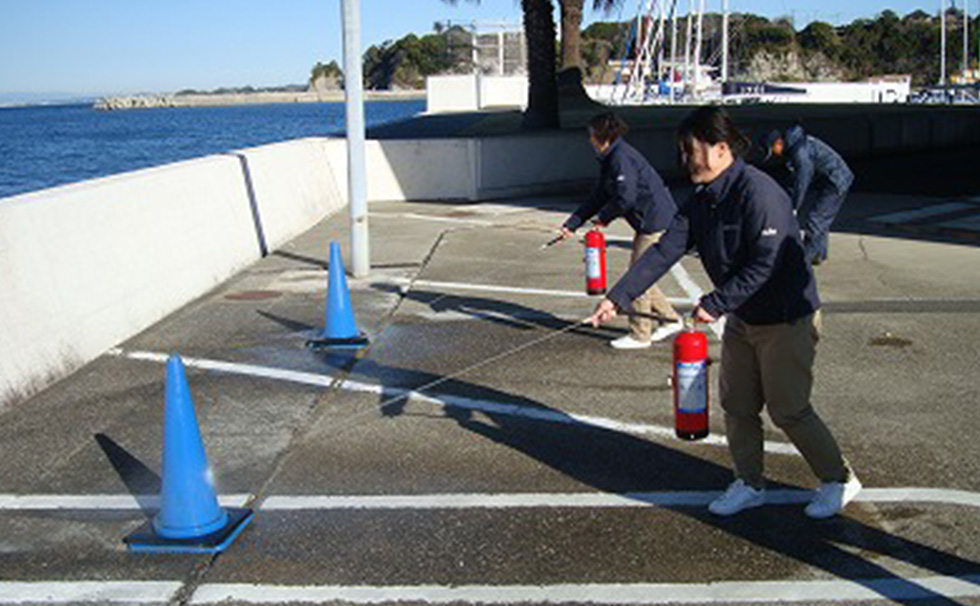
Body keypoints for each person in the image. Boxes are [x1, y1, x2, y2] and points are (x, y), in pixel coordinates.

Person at [589, 106, 861, 519]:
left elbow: (766, 262)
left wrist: (715, 302)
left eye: (690, 150)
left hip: (787, 316)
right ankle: (749, 482)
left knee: (789, 409)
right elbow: (665, 250)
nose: (685, 159)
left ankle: (839, 479)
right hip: (744, 318)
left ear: (719, 149)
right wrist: (618, 297)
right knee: (737, 404)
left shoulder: (760, 192)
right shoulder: (703, 199)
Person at [560, 112, 682, 349]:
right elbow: (601, 195)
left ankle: (640, 334)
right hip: (649, 220)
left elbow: (626, 197)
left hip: (655, 220)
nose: (589, 140)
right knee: (642, 274)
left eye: (591, 135)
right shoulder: (611, 157)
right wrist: (573, 223)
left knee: (638, 274)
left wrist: (604, 218)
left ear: (600, 136)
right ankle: (669, 319)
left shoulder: (620, 158)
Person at [761, 125, 854, 265]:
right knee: (821, 217)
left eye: (772, 150)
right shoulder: (795, 147)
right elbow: (794, 182)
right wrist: (788, 202)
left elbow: (802, 181)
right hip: (831, 179)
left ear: (778, 143)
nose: (774, 154)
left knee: (815, 219)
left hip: (836, 181)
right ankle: (819, 255)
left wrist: (794, 208)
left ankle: (804, 260)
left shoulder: (800, 153)